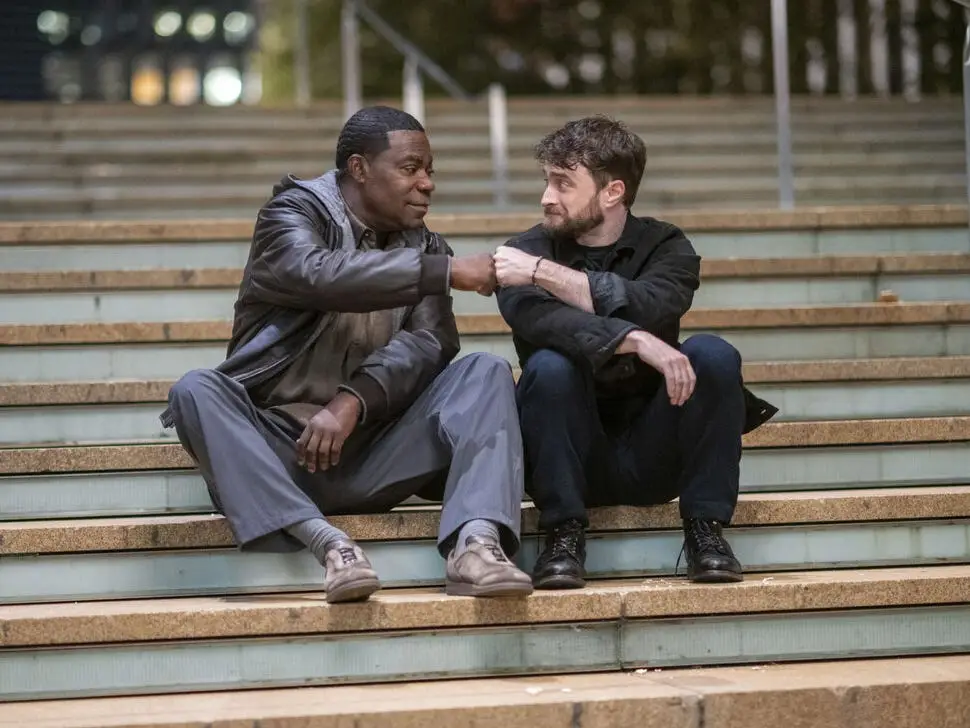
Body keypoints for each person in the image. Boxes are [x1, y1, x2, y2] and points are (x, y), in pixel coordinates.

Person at [160, 106, 533, 603]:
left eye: (429, 172)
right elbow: (314, 273)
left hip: (376, 450)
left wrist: (353, 400)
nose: (427, 184)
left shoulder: (425, 243)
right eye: (410, 168)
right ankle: (330, 545)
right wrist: (442, 271)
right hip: (280, 455)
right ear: (359, 168)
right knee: (194, 390)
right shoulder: (289, 217)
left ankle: (477, 546)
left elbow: (430, 344)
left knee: (485, 370)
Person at [493, 116, 777, 590]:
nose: (547, 196)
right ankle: (562, 533)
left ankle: (706, 530)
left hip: (656, 450)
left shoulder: (667, 246)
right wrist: (636, 340)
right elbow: (546, 324)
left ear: (612, 192)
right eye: (546, 181)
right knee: (548, 366)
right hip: (570, 456)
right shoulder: (523, 249)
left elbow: (652, 304)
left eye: (563, 183)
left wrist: (544, 274)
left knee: (712, 355)